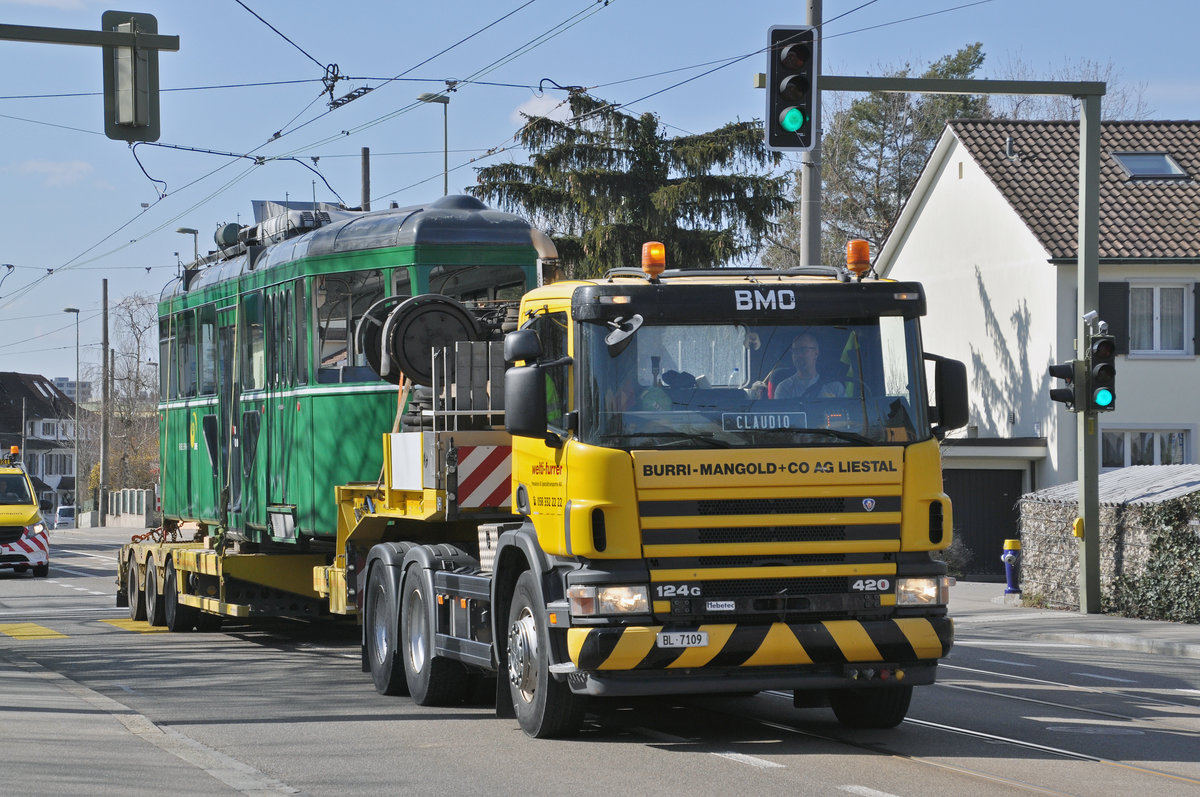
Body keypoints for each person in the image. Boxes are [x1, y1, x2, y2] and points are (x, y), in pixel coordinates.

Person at [772, 333, 846, 400]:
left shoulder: (835, 387)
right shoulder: (784, 388)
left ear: (816, 353)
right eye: (795, 351)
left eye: (803, 350)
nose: (799, 355)